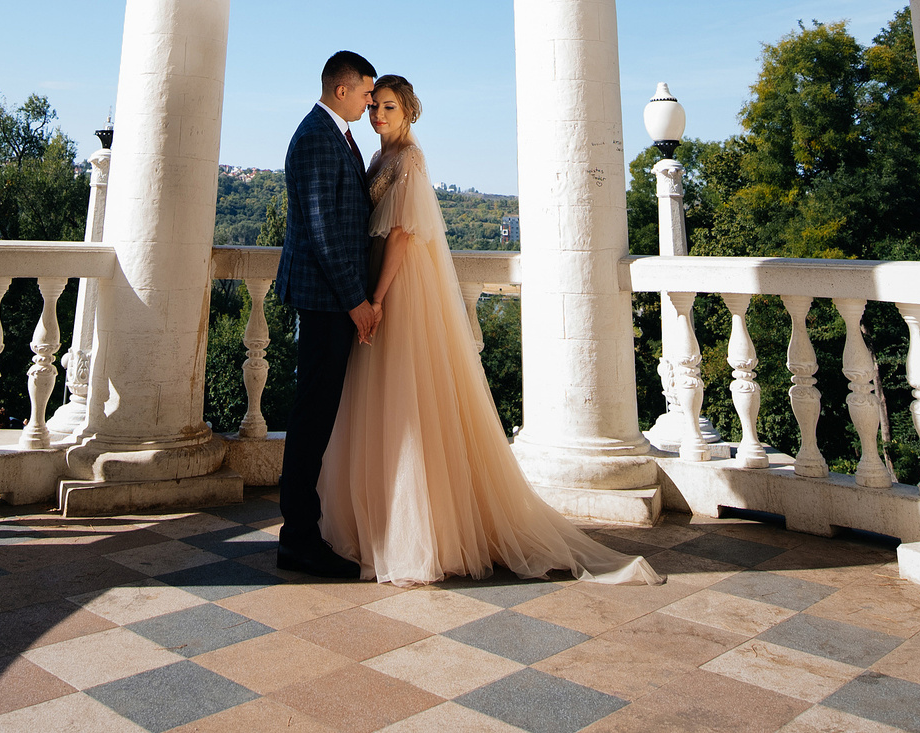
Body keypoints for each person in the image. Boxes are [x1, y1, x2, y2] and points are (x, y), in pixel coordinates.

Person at [320, 74, 660, 586]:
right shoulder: (379, 157)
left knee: (408, 398)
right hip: (374, 280)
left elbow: (403, 237)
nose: (378, 116)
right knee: (384, 402)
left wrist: (379, 298)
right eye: (374, 107)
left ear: (408, 110)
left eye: (388, 107)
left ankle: (421, 531)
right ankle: (385, 522)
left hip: (399, 285)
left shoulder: (408, 159)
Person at [270, 49, 382, 577]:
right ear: (343, 89)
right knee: (312, 418)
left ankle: (304, 531)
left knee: (318, 415)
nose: (369, 102)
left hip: (329, 298)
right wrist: (356, 301)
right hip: (324, 300)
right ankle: (298, 538)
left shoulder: (335, 134)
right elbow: (323, 229)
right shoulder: (318, 136)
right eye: (365, 93)